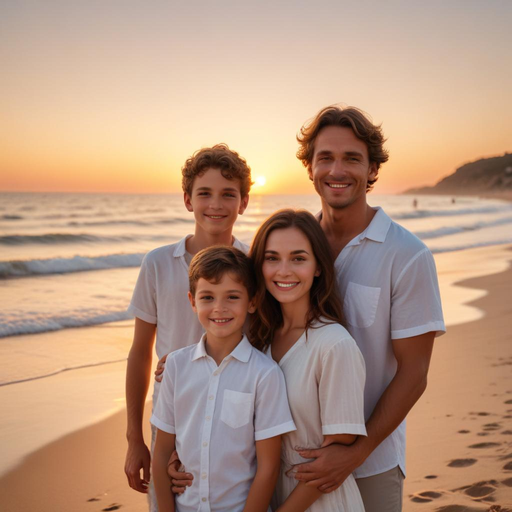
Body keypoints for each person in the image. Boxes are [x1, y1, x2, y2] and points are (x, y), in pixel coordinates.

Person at [292, 105, 446, 511]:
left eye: (352, 158)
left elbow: (414, 374)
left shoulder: (407, 255)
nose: (336, 170)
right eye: (325, 157)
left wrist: (355, 453)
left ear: (373, 169)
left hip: (372, 462)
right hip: (294, 457)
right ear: (309, 167)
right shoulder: (292, 250)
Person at [125, 144, 252, 510]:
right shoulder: (158, 264)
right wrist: (136, 439)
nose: (216, 204)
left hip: (233, 420)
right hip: (170, 417)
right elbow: (139, 352)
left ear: (243, 202)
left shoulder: (252, 263)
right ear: (187, 200)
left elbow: (259, 343)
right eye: (205, 193)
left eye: (229, 194)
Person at [151, 245, 296, 511]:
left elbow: (268, 466)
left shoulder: (264, 374)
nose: (219, 308)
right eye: (207, 298)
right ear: (192, 301)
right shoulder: (176, 366)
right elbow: (161, 455)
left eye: (232, 297)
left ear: (252, 302)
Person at [250, 209, 367, 512]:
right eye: (272, 258)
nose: (284, 271)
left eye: (298, 258)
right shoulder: (257, 341)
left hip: (320, 502)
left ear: (317, 268)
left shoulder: (333, 345)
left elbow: (335, 456)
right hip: (267, 495)